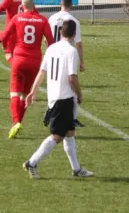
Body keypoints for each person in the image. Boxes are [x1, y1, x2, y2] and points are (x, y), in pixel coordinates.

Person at [23, 20, 93, 179]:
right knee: (58, 135)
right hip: (64, 99)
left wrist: (33, 92)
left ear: (61, 32)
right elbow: (72, 77)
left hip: (54, 97)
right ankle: (31, 163)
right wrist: (80, 94)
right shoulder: (71, 51)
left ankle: (76, 169)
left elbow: (41, 72)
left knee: (70, 132)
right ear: (74, 34)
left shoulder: (51, 48)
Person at [0, 0, 54, 138]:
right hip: (34, 61)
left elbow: (4, 36)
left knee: (14, 93)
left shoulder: (17, 18)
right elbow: (51, 41)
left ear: (22, 6)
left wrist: (6, 50)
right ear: (34, 5)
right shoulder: (42, 20)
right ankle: (18, 122)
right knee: (25, 96)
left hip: (19, 59)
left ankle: (16, 122)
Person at [48, 0, 86, 128]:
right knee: (72, 84)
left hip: (53, 54)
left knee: (55, 84)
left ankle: (52, 111)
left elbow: (46, 38)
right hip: (67, 54)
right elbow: (79, 43)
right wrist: (82, 62)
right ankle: (72, 118)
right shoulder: (73, 21)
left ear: (60, 3)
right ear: (71, 5)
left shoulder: (52, 18)